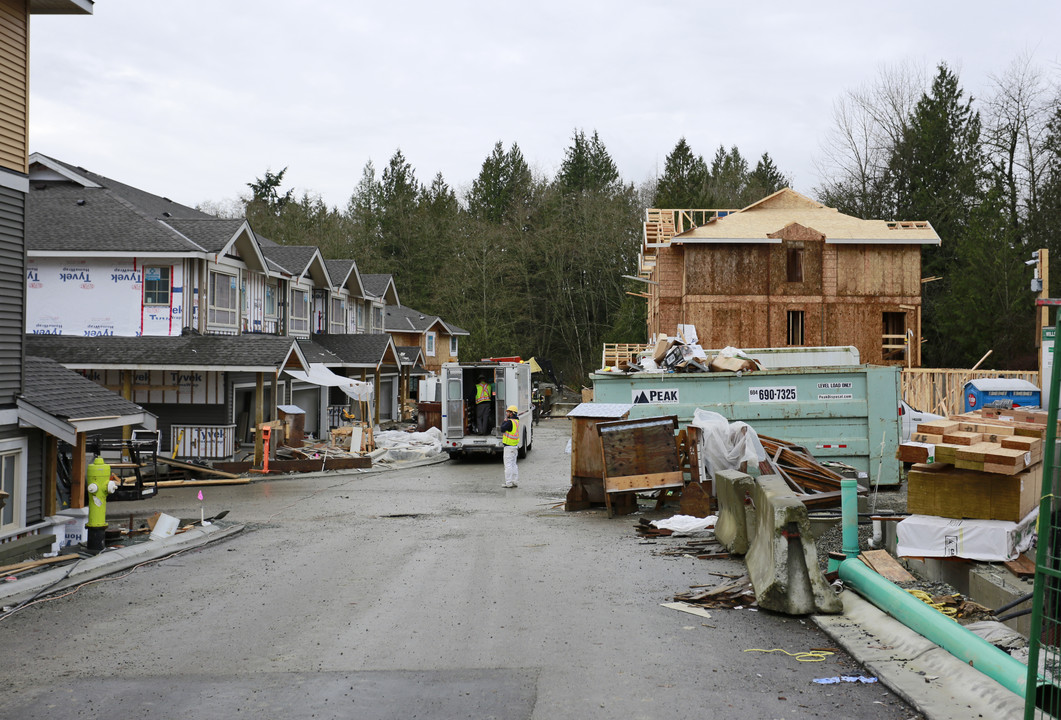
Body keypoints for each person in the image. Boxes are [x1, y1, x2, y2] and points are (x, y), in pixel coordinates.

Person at [500, 404, 520, 488]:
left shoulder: (509, 422)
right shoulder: (516, 421)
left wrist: (504, 421)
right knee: (514, 465)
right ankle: (515, 481)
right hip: (514, 446)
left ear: (511, 413)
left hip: (508, 447)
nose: (507, 413)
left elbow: (502, 429)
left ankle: (508, 483)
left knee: (508, 466)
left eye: (508, 412)